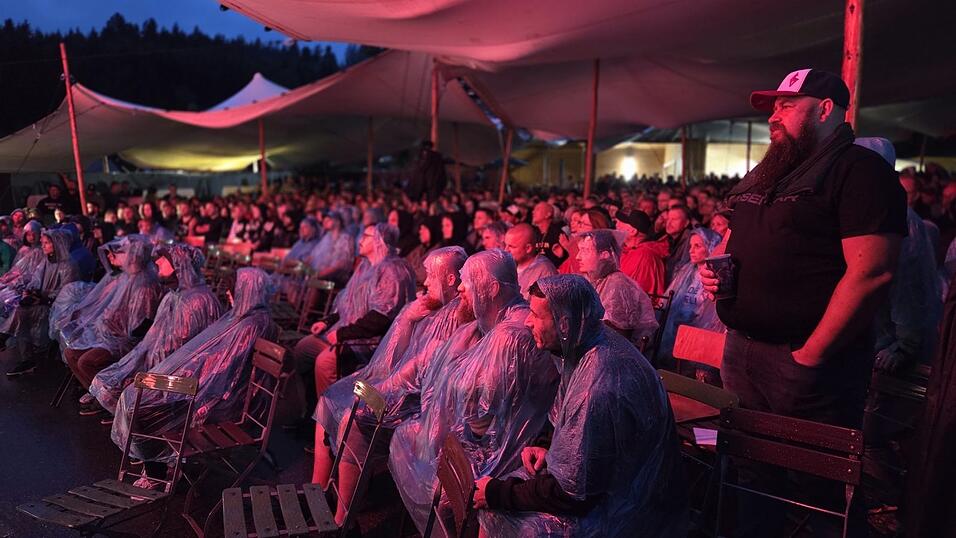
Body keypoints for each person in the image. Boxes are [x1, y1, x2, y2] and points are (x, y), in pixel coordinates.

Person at [701, 69, 906, 537]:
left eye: (786, 105)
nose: (774, 115)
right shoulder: (774, 169)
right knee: (753, 475)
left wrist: (811, 353)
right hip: (745, 350)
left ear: (825, 109)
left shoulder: (859, 171)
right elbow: (742, 238)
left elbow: (871, 271)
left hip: (805, 361)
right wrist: (724, 282)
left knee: (815, 488)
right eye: (773, 106)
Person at [475, 274, 686, 537]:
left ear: (564, 323)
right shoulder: (588, 342)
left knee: (492, 509)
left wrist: (498, 493)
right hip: (616, 490)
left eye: (536, 315)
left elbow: (574, 495)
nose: (527, 323)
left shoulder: (598, 382)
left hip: (629, 512)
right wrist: (550, 448)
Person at [388, 249, 559, 533]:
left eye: (466, 281)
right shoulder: (489, 323)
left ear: (491, 288)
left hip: (501, 452)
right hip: (481, 438)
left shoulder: (510, 335)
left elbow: (485, 418)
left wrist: (448, 431)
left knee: (438, 485)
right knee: (407, 436)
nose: (459, 288)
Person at [312, 246, 470, 524]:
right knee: (330, 399)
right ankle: (318, 489)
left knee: (352, 416)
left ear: (451, 279)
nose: (425, 282)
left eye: (432, 276)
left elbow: (418, 373)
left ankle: (342, 519)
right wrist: (407, 320)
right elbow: (393, 358)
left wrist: (381, 391)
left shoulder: (458, 318)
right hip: (398, 390)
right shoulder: (429, 309)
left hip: (418, 406)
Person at [110, 267, 275, 485]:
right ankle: (161, 463)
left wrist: (180, 385)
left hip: (222, 400)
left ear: (248, 291)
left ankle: (156, 474)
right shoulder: (244, 320)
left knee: (140, 408)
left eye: (233, 289)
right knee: (141, 396)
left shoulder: (250, 326)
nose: (227, 294)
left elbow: (224, 375)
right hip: (214, 388)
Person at [294, 223, 416, 414]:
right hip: (346, 333)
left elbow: (381, 318)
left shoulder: (392, 271)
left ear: (379, 241)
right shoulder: (364, 267)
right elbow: (346, 304)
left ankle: (329, 419)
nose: (360, 240)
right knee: (302, 349)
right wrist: (327, 321)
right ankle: (307, 410)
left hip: (371, 343)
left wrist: (343, 334)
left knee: (325, 362)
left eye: (366, 236)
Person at [90, 243, 223, 415]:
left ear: (178, 264)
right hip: (159, 364)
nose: (157, 262)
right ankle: (128, 417)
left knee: (118, 386)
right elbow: (155, 340)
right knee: (107, 379)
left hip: (178, 377)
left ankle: (138, 420)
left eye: (163, 259)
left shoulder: (196, 300)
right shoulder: (173, 295)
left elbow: (182, 352)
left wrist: (144, 370)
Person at [61, 239, 163, 414]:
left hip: (127, 340)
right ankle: (97, 393)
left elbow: (140, 324)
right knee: (70, 353)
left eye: (119, 252)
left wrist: (116, 326)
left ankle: (111, 401)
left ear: (133, 254)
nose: (112, 257)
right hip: (109, 334)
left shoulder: (146, 284)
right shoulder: (127, 277)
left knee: (87, 362)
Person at [4, 229, 80, 376]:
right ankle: (26, 357)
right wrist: (31, 291)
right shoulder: (46, 260)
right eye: (43, 243)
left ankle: (16, 346)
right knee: (21, 309)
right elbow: (36, 279)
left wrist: (43, 297)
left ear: (57, 244)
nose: (43, 246)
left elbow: (67, 293)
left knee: (21, 313)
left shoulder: (69, 266)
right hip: (42, 301)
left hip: (58, 307)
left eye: (47, 243)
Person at [575, 229, 659, 345]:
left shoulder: (618, 285)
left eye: (585, 251)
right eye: (580, 250)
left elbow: (617, 336)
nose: (577, 257)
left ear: (605, 255)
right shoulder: (593, 280)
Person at [659, 227, 725, 372]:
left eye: (697, 246)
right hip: (676, 327)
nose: (691, 251)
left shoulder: (717, 276)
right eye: (690, 246)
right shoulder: (686, 271)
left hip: (699, 332)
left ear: (711, 247)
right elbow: (670, 297)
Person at [615, 209, 668, 296]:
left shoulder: (645, 256)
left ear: (633, 231)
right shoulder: (628, 250)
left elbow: (637, 296)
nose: (616, 225)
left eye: (620, 223)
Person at [505, 223, 557, 299]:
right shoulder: (509, 266)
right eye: (506, 245)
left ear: (528, 248)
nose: (506, 250)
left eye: (511, 246)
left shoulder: (544, 271)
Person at [307, 212, 355, 284]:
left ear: (337, 221)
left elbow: (342, 263)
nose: (324, 222)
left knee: (314, 282)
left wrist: (321, 274)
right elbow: (313, 255)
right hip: (321, 273)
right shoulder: (326, 238)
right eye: (324, 220)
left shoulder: (346, 238)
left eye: (328, 220)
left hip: (337, 276)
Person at [661, 205, 694, 284]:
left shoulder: (690, 241)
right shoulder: (666, 239)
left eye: (674, 219)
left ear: (686, 223)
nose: (669, 223)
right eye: (668, 219)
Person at [532, 202, 566, 266]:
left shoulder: (558, 234)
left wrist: (562, 255)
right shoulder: (533, 233)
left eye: (537, 209)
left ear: (548, 214)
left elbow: (564, 259)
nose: (533, 212)